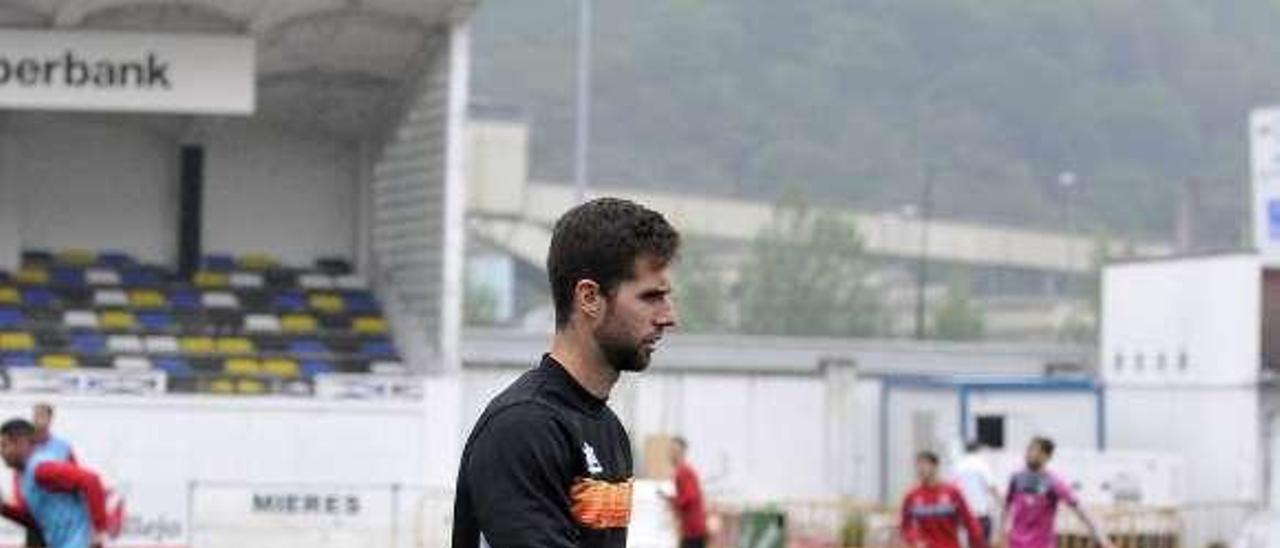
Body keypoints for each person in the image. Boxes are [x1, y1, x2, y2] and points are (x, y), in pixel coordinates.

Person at [452, 198, 680, 548]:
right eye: (651, 297)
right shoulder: (524, 427)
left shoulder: (610, 431)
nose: (668, 317)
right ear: (589, 297)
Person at [0, 419, 118, 548]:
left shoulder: (42, 468)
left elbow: (91, 480)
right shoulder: (25, 475)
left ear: (21, 443)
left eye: (4, 445)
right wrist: (4, 508)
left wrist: (99, 531)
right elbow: (35, 522)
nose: (1, 452)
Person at [996, 437, 1114, 548]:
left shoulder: (1054, 482)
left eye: (1035, 451)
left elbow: (1080, 510)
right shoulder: (1016, 478)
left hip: (1042, 544)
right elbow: (1007, 506)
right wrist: (1000, 532)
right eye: (1029, 449)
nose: (1029, 454)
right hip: (1017, 543)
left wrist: (1102, 538)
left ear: (1047, 456)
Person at [900, 451, 986, 548]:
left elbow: (969, 521)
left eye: (925, 464)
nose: (921, 469)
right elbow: (905, 525)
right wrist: (914, 539)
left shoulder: (953, 492)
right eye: (918, 466)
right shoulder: (912, 495)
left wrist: (979, 543)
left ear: (935, 466)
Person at [663, 436, 707, 548]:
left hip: (693, 530)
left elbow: (689, 497)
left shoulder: (684, 472)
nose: (671, 454)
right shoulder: (680, 472)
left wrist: (672, 501)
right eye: (670, 450)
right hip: (690, 529)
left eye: (674, 451)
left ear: (681, 452)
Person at [952, 441, 1000, 542]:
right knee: (982, 543)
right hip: (981, 513)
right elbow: (991, 486)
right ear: (978, 450)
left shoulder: (958, 466)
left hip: (964, 515)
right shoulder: (982, 465)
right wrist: (1001, 503)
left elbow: (953, 489)